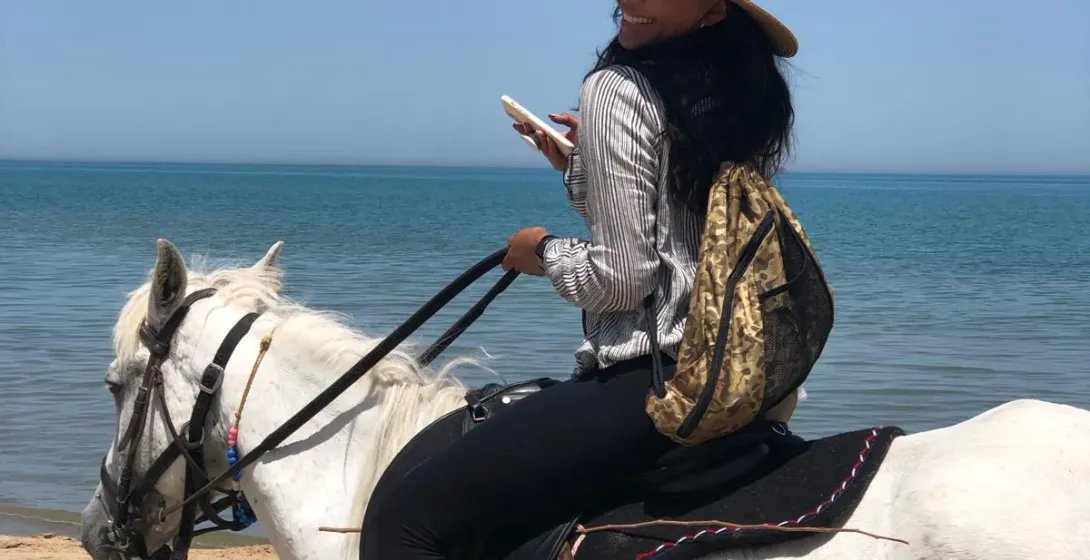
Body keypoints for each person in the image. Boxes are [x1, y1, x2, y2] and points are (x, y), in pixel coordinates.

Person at [366, 1, 799, 557]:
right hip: (738, 372)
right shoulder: (738, 93)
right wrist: (583, 164)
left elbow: (623, 281)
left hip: (654, 379)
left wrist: (541, 253)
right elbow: (678, 230)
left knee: (403, 518)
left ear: (712, 10)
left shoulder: (616, 88)